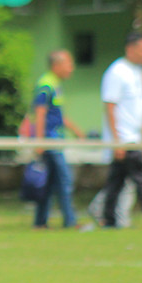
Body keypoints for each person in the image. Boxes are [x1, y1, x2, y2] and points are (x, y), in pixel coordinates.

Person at [100, 35, 142, 229]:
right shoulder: (117, 72)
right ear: (130, 49)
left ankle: (108, 219)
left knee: (117, 182)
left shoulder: (139, 73)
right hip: (124, 139)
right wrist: (116, 141)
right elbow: (110, 107)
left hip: (135, 139)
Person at [30, 50, 85, 229]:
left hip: (55, 139)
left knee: (50, 182)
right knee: (64, 179)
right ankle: (70, 221)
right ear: (57, 65)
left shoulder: (54, 84)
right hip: (49, 140)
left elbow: (58, 115)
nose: (71, 68)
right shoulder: (46, 84)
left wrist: (76, 130)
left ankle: (40, 222)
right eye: (68, 64)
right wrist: (39, 141)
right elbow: (40, 112)